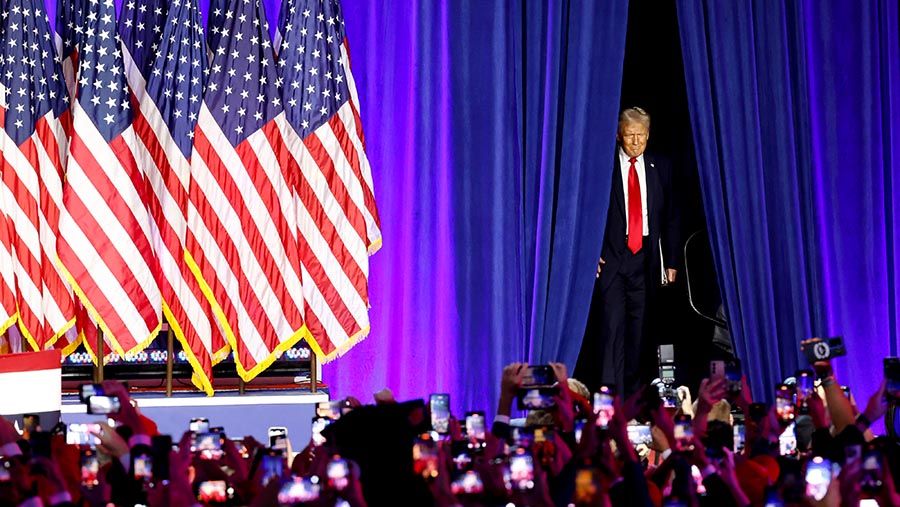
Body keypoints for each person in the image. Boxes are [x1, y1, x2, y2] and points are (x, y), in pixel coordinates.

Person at [594, 107, 680, 399]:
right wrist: (589, 255)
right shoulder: (603, 165)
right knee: (612, 329)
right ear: (618, 135)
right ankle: (610, 399)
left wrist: (670, 261)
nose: (635, 142)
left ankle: (631, 401)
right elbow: (586, 213)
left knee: (639, 333)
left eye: (641, 136)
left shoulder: (661, 165)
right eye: (630, 136)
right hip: (612, 258)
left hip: (645, 259)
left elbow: (671, 216)